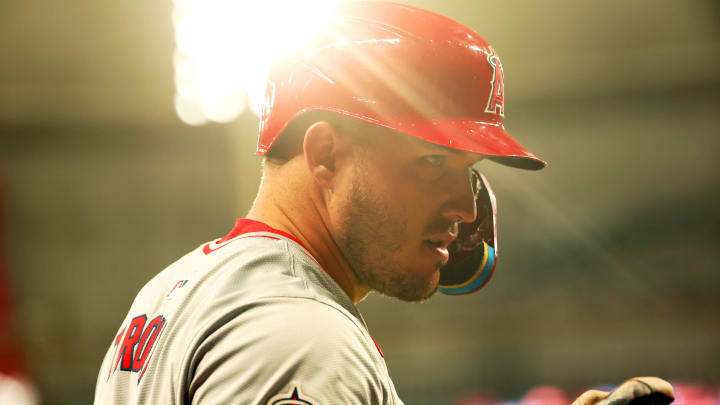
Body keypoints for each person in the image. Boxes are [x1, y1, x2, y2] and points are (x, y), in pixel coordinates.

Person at [93, 2, 673, 405]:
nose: (467, 210)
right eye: (432, 162)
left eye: (468, 173)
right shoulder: (299, 336)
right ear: (325, 155)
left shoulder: (179, 290)